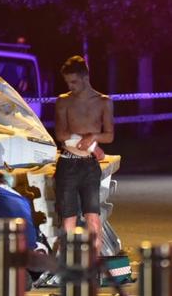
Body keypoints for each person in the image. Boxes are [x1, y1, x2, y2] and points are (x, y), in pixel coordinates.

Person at [54, 55, 114, 251]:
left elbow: (109, 135)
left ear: (85, 78)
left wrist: (93, 137)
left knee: (92, 216)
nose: (70, 86)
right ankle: (68, 265)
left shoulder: (104, 101)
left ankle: (94, 266)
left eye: (74, 82)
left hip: (89, 166)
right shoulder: (63, 101)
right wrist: (90, 144)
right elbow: (61, 134)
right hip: (68, 163)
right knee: (68, 218)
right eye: (67, 82)